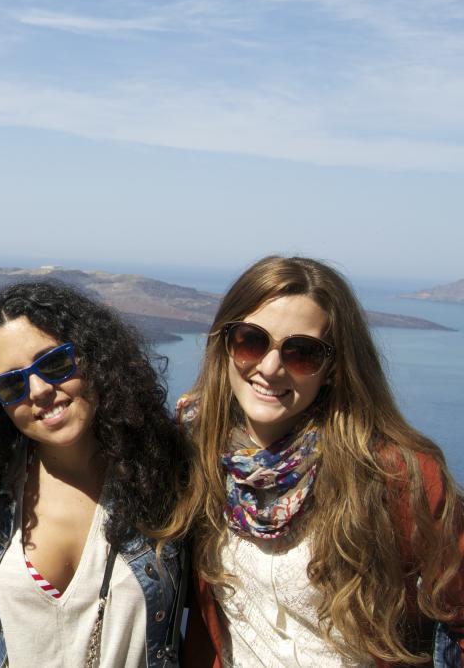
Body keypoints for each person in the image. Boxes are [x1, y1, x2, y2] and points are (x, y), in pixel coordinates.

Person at [159, 256, 464, 666]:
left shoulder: (396, 474)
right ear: (225, 344)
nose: (270, 368)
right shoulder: (196, 448)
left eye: (301, 352)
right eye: (251, 340)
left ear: (333, 368)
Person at [0, 281, 188, 667]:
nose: (39, 390)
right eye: (11, 384)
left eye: (55, 363)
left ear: (93, 356)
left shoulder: (166, 471)